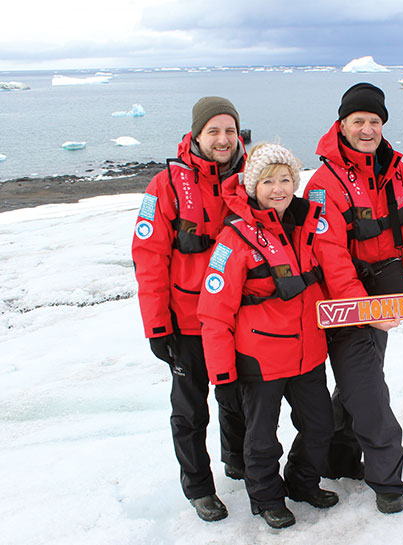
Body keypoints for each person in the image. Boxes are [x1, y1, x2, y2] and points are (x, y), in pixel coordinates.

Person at [303, 83, 403, 514]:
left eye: (374, 121)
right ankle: (387, 480)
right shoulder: (323, 183)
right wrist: (364, 310)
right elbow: (330, 254)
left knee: (358, 384)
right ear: (342, 125)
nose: (366, 129)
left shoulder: (400, 174)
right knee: (370, 391)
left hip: (387, 299)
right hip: (347, 306)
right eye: (358, 121)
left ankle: (336, 459)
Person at [198, 143, 342, 529]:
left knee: (320, 425)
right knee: (261, 437)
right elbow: (214, 310)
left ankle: (302, 481)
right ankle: (266, 498)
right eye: (267, 181)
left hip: (309, 351)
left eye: (285, 179)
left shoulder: (309, 224)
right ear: (252, 187)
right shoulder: (234, 238)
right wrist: (222, 373)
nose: (278, 188)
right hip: (259, 356)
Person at [131, 96, 247, 521]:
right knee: (191, 409)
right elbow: (148, 258)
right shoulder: (164, 186)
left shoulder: (252, 179)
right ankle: (198, 486)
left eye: (230, 131)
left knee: (239, 400)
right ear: (196, 135)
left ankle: (237, 462)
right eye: (213, 131)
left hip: (240, 318)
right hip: (188, 323)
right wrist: (157, 326)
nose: (223, 139)